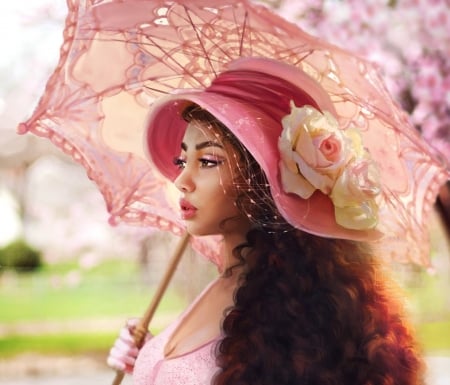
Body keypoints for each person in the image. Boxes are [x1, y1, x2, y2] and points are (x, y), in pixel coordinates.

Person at [107, 57, 425, 385]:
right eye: (182, 159)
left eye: (208, 161)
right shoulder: (229, 283)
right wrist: (150, 358)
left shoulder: (299, 318)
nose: (182, 180)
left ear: (261, 178)